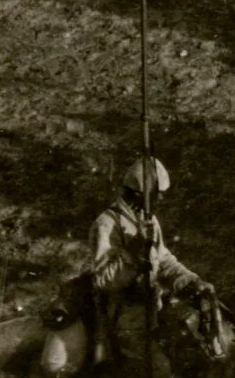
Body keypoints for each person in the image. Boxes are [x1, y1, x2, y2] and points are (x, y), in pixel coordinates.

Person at [81, 155, 212, 363]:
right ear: (137, 193)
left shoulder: (148, 221)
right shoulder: (106, 224)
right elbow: (103, 280)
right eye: (155, 194)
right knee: (159, 370)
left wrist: (191, 280)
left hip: (151, 313)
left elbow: (164, 261)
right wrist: (133, 249)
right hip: (122, 321)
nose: (160, 199)